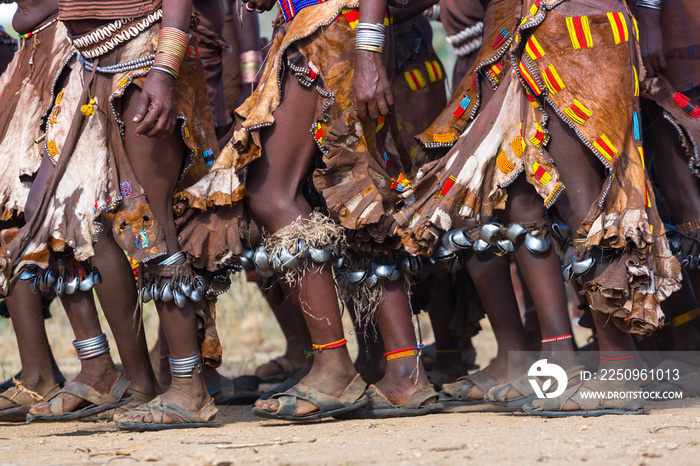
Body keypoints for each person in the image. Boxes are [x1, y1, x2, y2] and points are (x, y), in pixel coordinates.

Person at [395, 0, 681, 416]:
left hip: (571, 27)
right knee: (519, 196)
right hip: (522, 32)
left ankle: (622, 368)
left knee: (583, 204)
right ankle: (559, 363)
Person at [174, 0, 444, 420]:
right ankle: (406, 374)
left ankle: (333, 367)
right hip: (334, 30)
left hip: (329, 30)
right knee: (354, 200)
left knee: (271, 194)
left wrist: (370, 50)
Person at [0, 0, 225, 429]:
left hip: (145, 56)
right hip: (90, 64)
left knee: (150, 226)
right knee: (93, 226)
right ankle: (133, 380)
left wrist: (164, 70)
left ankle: (189, 389)